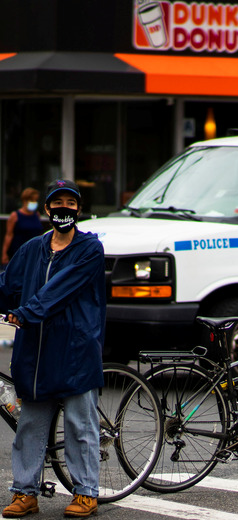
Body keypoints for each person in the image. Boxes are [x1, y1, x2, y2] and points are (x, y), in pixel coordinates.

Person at [0, 179, 105, 518]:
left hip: (75, 350)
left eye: (70, 203)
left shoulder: (89, 249)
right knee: (30, 424)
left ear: (78, 209)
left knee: (80, 425)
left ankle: (86, 492)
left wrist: (25, 312)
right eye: (57, 202)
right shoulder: (32, 248)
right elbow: (8, 283)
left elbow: (59, 290)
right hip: (35, 351)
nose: (64, 209)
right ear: (47, 208)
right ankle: (25, 492)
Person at [2, 188, 43, 266]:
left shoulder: (36, 215)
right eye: (32, 200)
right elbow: (9, 235)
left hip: (34, 253)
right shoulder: (15, 215)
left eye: (36, 200)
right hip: (18, 252)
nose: (34, 203)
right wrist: (4, 254)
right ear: (25, 201)